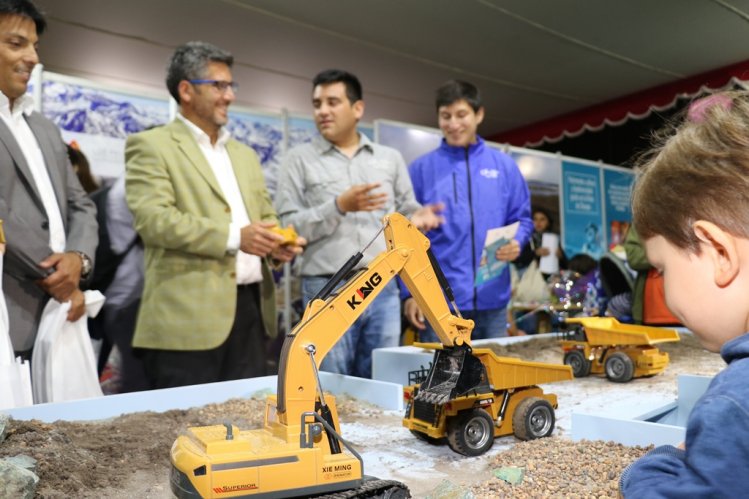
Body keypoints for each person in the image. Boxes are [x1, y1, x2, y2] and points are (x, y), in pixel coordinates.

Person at [125, 41, 304, 389]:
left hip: (251, 314)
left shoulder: (244, 155)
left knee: (245, 433)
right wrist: (239, 237)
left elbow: (265, 215)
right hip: (185, 320)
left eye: (231, 85)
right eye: (219, 85)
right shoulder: (151, 146)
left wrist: (276, 244)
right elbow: (154, 220)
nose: (230, 95)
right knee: (186, 430)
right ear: (186, 90)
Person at [619, 91, 749, 497]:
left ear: (719, 253)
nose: (665, 288)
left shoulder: (732, 406)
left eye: (662, 269)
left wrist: (658, 466)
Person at [275, 69, 442, 378]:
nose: (322, 111)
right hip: (326, 288)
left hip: (383, 287)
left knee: (383, 378)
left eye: (332, 101)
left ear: (358, 109)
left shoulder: (389, 158)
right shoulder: (297, 160)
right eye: (317, 103)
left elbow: (407, 208)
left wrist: (419, 217)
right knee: (332, 383)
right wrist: (339, 205)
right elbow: (288, 227)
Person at [0, 0, 97, 360]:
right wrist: (59, 274)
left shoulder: (44, 127)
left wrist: (78, 259)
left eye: (35, 46)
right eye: (16, 44)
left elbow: (81, 203)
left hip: (59, 315)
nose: (32, 58)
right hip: (12, 307)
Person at [403, 79, 532, 342]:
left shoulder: (504, 167)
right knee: (444, 383)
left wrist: (517, 242)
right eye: (445, 116)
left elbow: (522, 219)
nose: (453, 124)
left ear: (479, 114)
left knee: (495, 380)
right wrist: (410, 294)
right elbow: (403, 239)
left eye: (461, 115)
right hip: (438, 303)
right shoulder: (420, 170)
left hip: (494, 299)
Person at [515, 207, 567, 279]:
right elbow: (516, 259)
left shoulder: (554, 239)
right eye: (535, 219)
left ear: (548, 222)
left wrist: (561, 257)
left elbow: (565, 265)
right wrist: (535, 253)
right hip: (530, 278)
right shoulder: (524, 238)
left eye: (542, 219)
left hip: (551, 278)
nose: (538, 222)